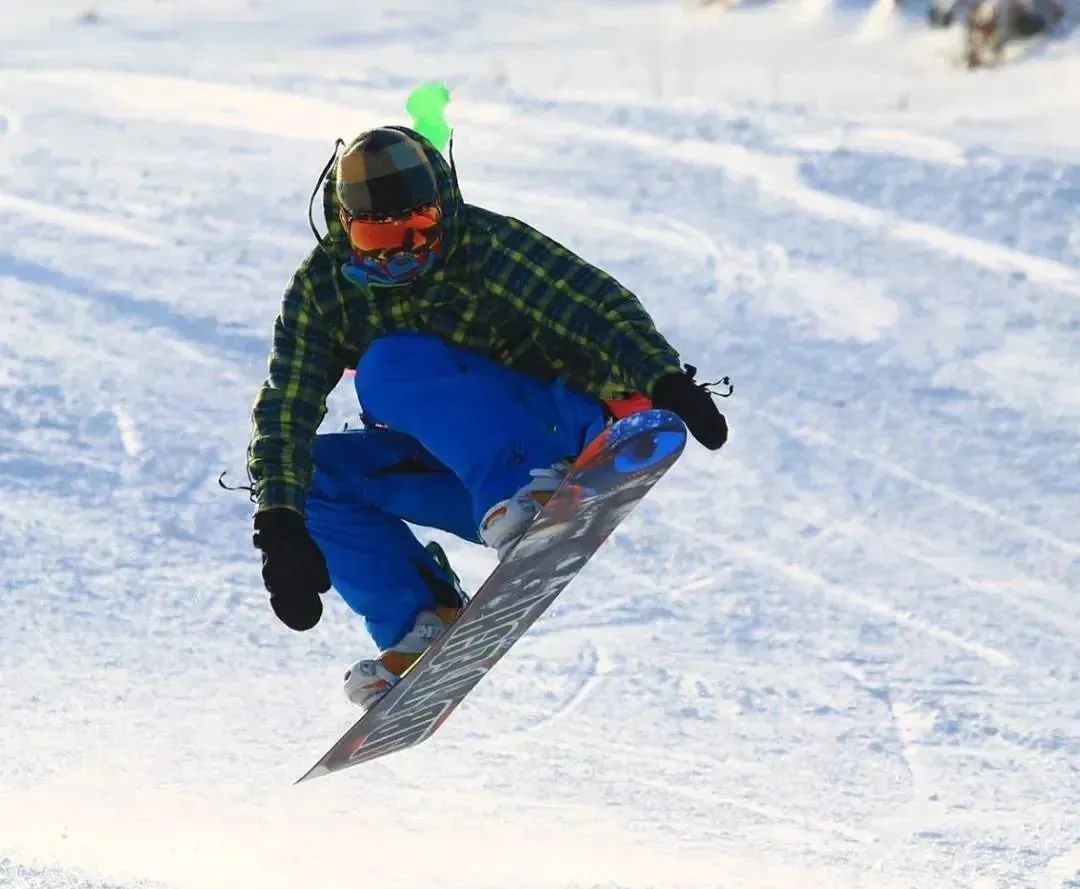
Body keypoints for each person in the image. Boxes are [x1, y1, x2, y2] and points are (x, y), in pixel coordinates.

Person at [248, 126, 728, 710]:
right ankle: (422, 620)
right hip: (470, 481)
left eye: (417, 230)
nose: (399, 253)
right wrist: (279, 520)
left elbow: (595, 307)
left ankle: (532, 486)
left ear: (442, 213)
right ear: (346, 227)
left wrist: (662, 376)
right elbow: (286, 404)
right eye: (378, 235)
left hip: (555, 433)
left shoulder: (487, 246)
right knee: (316, 477)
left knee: (388, 366)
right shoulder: (323, 290)